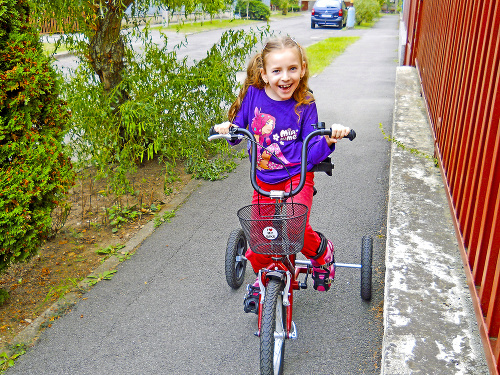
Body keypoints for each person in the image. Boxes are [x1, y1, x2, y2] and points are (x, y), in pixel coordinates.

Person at [214, 35, 350, 314]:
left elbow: (311, 146)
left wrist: (329, 141)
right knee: (261, 238)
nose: (285, 77)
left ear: (302, 69)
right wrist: (229, 129)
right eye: (277, 71)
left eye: (292, 69)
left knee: (292, 227)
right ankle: (263, 279)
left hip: (296, 176)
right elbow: (239, 131)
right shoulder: (253, 95)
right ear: (263, 74)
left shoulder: (305, 102)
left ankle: (323, 253)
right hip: (262, 178)